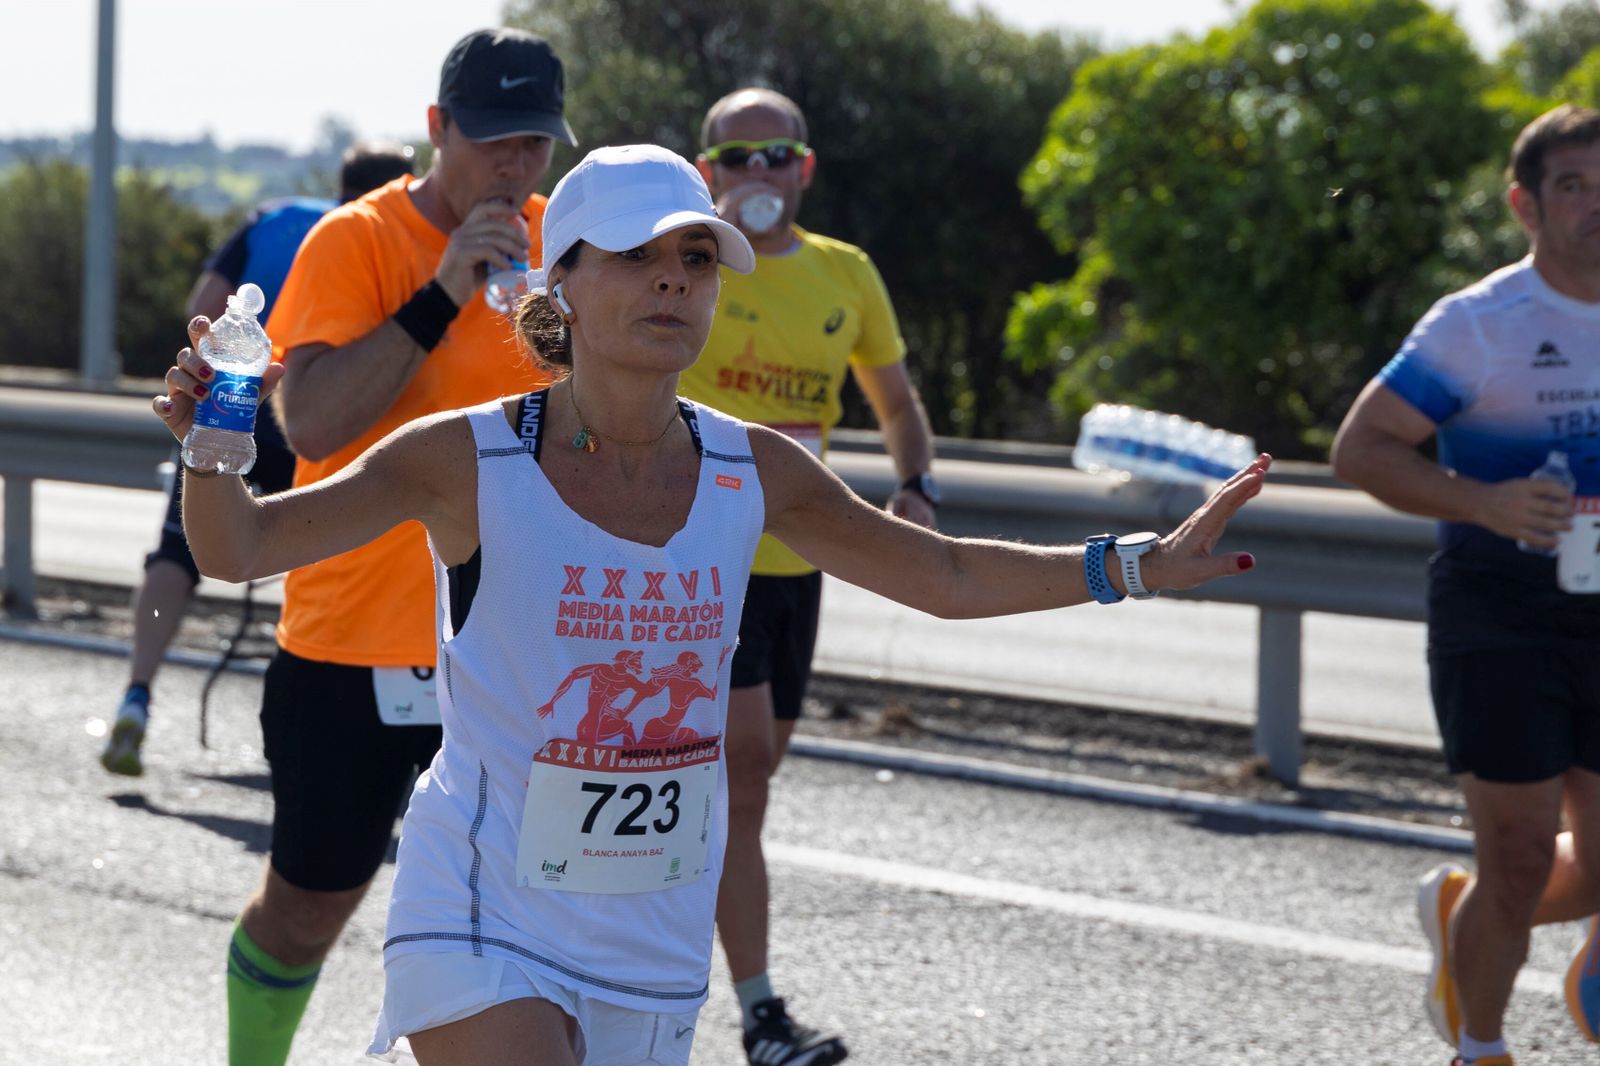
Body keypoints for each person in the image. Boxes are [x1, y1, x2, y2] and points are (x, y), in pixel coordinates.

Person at [153, 141, 1268, 1066]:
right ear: (563, 288)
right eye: (637, 257)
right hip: (484, 897)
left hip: (652, 922)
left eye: (695, 257)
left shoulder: (752, 470)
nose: (674, 280)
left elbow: (943, 576)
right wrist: (213, 444)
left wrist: (1132, 564)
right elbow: (244, 546)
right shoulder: (466, 457)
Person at [210, 28, 576, 1066]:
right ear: (437, 129)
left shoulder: (559, 245)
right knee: (306, 909)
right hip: (353, 644)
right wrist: (441, 293)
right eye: (495, 140)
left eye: (534, 144)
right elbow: (311, 423)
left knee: (520, 926)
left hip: (511, 653)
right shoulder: (355, 241)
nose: (515, 167)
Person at [1332, 103, 1600, 1066]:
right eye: (1572, 187)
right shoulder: (1479, 325)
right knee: (1522, 855)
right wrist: (1484, 501)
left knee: (1590, 870)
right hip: (1500, 615)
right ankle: (1478, 1047)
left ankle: (1463, 912)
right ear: (1526, 205)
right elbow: (1360, 448)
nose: (1595, 207)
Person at [676, 86, 938, 1064]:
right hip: (700, 559)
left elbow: (896, 402)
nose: (755, 175)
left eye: (772, 156)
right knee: (738, 768)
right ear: (707, 174)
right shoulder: (685, 259)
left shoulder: (845, 274)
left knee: (746, 784)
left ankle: (718, 986)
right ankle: (754, 1010)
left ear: (804, 169)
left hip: (798, 563)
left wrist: (916, 484)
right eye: (735, 159)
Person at [99, 141, 417, 777]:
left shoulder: (273, 218)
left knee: (173, 557)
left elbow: (203, 305)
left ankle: (137, 692)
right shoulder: (391, 246)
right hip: (320, 430)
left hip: (234, 412)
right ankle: (340, 700)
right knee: (329, 556)